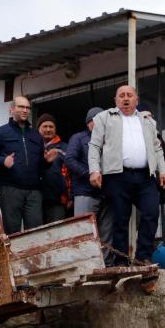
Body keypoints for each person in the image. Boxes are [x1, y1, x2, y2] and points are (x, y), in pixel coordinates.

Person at [88, 85, 165, 266]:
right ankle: (121, 261)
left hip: (145, 177)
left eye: (129, 95)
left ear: (136, 100)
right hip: (117, 176)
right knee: (120, 220)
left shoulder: (147, 120)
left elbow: (157, 147)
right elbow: (94, 146)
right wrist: (94, 169)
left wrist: (162, 170)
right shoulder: (104, 118)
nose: (126, 98)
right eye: (122, 96)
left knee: (151, 212)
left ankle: (142, 257)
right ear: (116, 101)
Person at [0, 96, 58, 234]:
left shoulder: (36, 135)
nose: (25, 110)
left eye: (28, 108)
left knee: (36, 230)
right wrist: (3, 161)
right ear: (11, 109)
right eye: (21, 107)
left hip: (34, 191)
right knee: (12, 231)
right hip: (10, 189)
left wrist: (47, 162)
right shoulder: (1, 132)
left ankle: (34, 256)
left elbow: (40, 167)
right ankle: (13, 256)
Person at [66, 107, 113, 259]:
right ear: (89, 123)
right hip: (85, 193)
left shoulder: (110, 140)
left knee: (106, 232)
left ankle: (106, 265)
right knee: (84, 232)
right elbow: (70, 160)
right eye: (95, 120)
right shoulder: (78, 138)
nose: (99, 123)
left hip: (107, 193)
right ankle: (85, 266)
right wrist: (90, 174)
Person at [36, 113, 69, 223]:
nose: (48, 129)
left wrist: (70, 196)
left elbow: (71, 173)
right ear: (38, 129)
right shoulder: (32, 147)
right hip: (35, 201)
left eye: (51, 126)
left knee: (57, 233)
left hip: (57, 200)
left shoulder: (65, 148)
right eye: (45, 126)